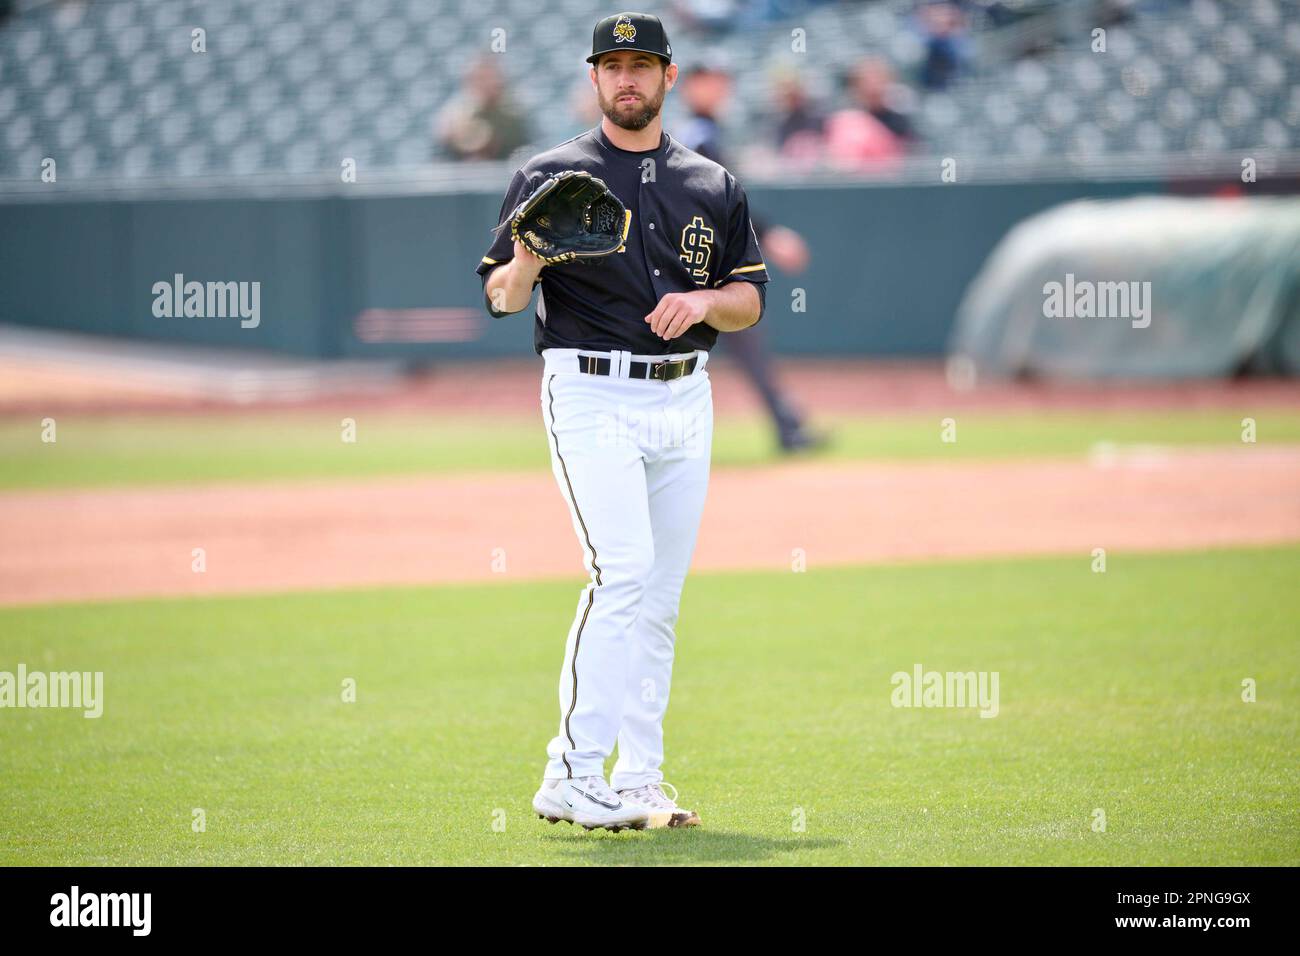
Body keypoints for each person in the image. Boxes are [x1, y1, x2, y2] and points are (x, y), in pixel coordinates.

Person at [476, 12, 768, 832]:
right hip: (592, 390)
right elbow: (500, 297)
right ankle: (570, 772)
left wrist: (707, 300)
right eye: (613, 65)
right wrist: (530, 255)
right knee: (625, 571)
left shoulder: (712, 183)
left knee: (661, 597)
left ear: (669, 77)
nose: (627, 77)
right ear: (594, 77)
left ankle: (640, 778)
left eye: (643, 64)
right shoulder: (549, 172)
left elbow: (749, 300)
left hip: (685, 394)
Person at [677, 62, 827, 453]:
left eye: (723, 81)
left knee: (746, 343)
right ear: (691, 85)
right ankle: (787, 427)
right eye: (712, 81)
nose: (721, 89)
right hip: (699, 266)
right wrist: (770, 233)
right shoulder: (697, 136)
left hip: (704, 262)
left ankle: (788, 425)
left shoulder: (703, 133)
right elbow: (724, 199)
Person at [436, 56, 531, 161]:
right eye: (479, 78)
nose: (485, 83)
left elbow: (519, 149)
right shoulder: (457, 113)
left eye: (489, 78)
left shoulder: (513, 113)